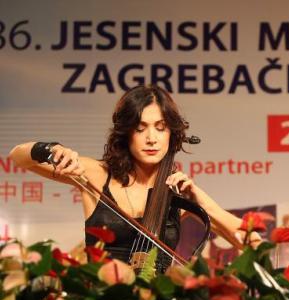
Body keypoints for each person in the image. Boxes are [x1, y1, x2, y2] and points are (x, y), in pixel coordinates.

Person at [9, 84, 255, 269]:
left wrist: (198, 201)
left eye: (161, 128)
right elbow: (18, 156)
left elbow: (250, 242)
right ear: (126, 133)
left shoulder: (176, 190)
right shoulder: (97, 174)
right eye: (140, 128)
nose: (151, 138)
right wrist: (51, 150)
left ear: (172, 134)